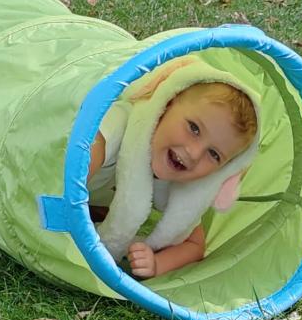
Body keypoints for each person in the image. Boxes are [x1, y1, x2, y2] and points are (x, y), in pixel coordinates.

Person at [87, 80, 258, 279]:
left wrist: (157, 264)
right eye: (194, 128)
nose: (194, 153)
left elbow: (194, 245)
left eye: (214, 154)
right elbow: (69, 175)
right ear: (167, 104)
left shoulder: (186, 183)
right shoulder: (118, 125)